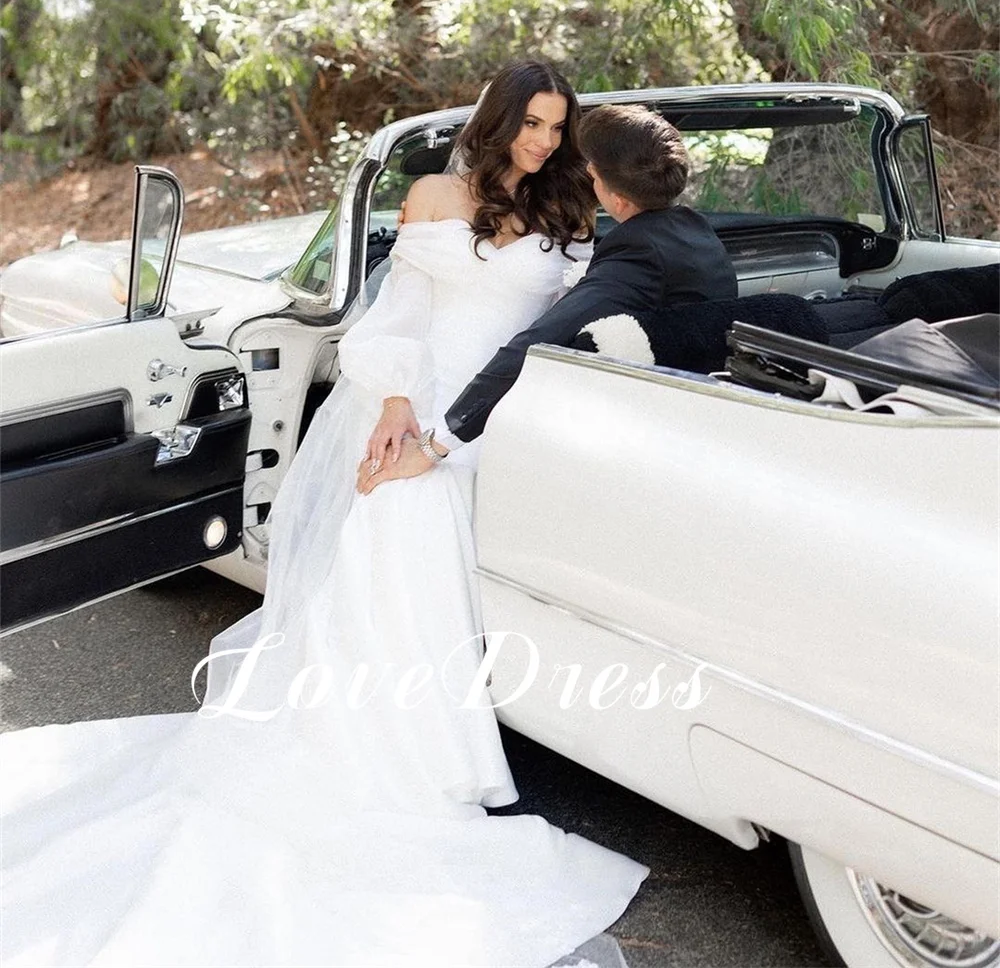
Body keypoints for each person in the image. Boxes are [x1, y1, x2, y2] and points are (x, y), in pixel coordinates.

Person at [0, 62, 648, 968]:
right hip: (409, 397)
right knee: (392, 511)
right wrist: (393, 402)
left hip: (500, 413)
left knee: (415, 508)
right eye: (532, 124)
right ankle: (392, 749)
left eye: (556, 128)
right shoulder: (433, 192)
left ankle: (421, 746)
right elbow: (400, 316)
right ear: (500, 121)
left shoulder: (569, 215)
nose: (544, 142)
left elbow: (578, 314)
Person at [356, 103, 737, 492]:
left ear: (616, 199)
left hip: (641, 444)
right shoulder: (696, 233)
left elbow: (540, 344)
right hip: (692, 421)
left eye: (593, 172)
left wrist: (434, 447)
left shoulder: (634, 258)